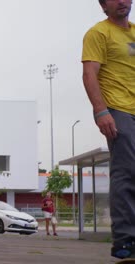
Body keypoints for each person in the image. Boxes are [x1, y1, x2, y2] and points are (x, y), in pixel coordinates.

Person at [81, 0, 135, 259]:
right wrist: (100, 110)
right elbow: (89, 73)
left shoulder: (134, 33)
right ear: (103, 5)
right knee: (126, 170)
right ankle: (124, 240)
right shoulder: (99, 33)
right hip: (118, 110)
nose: (122, 1)